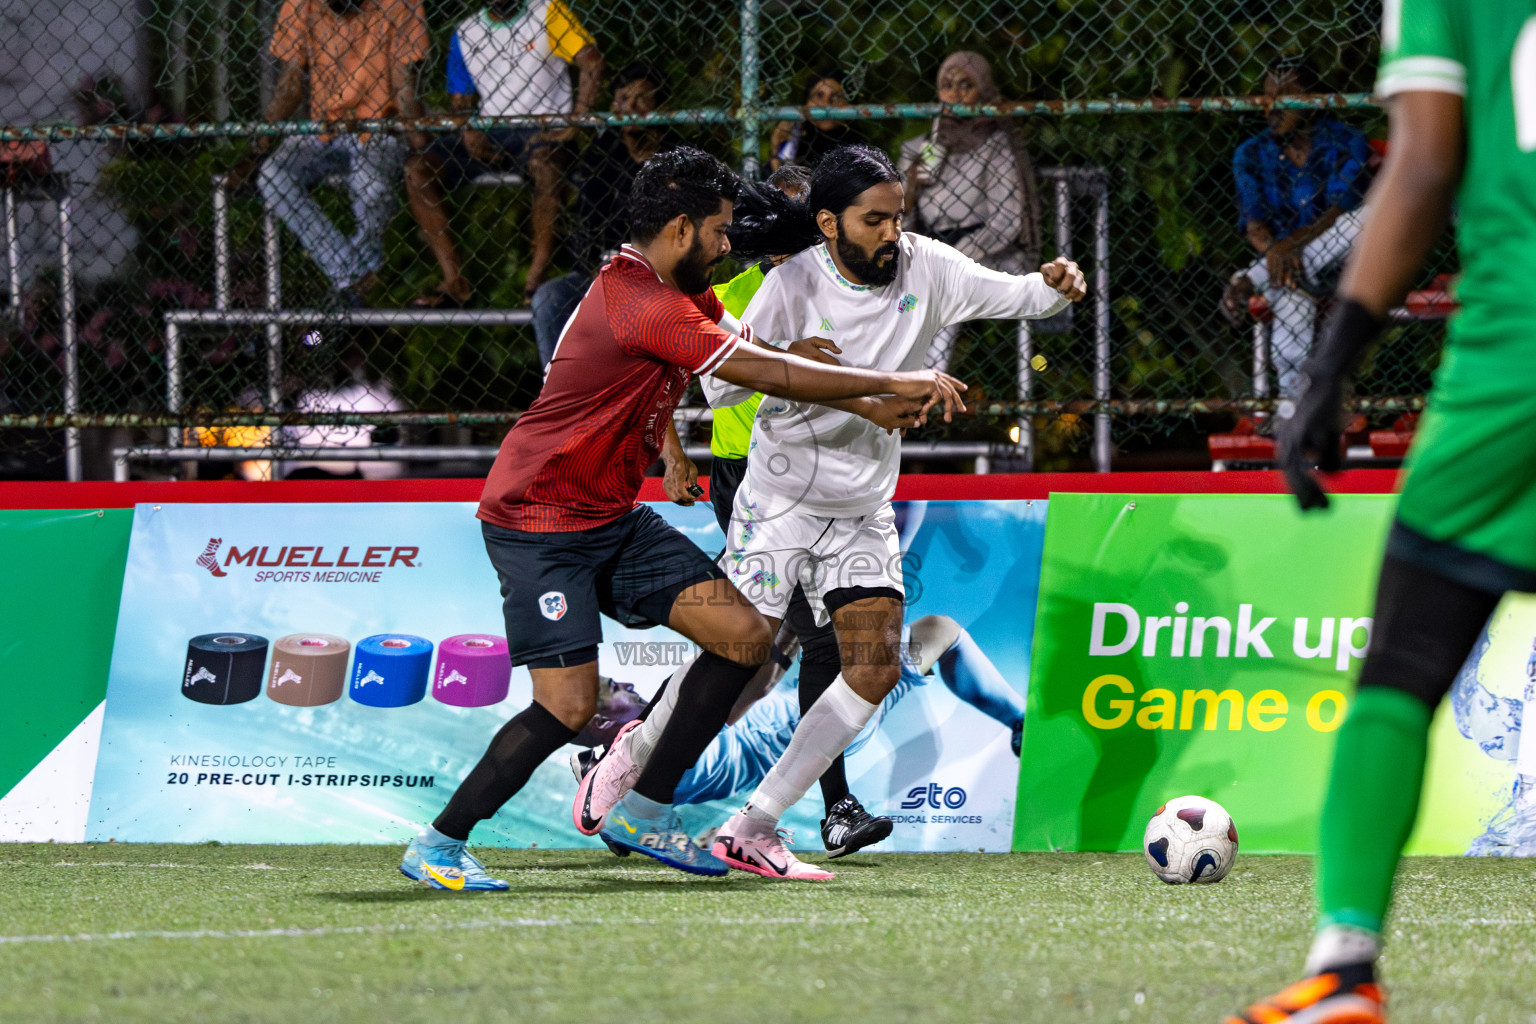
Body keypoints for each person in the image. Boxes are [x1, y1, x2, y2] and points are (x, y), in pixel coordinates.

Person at [397, 145, 966, 889]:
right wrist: (886, 383)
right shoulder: (644, 303)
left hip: (612, 518)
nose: (729, 247)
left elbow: (758, 344)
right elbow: (760, 371)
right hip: (539, 523)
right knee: (567, 706)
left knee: (744, 638)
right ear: (678, 231)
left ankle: (646, 809)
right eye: (719, 233)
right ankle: (439, 844)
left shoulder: (678, 290)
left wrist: (848, 380)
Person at [590, 143, 1079, 882]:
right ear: (828, 222)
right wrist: (815, 368)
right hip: (778, 502)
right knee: (735, 656)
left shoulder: (928, 266)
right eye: (874, 220)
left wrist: (1055, 285)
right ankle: (630, 754)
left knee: (874, 664)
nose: (893, 233)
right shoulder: (788, 284)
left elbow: (1019, 297)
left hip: (860, 509)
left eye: (897, 217)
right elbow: (723, 392)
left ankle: (754, 824)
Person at [1237, 3, 1535, 1021]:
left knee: (1400, 671)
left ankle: (1347, 966)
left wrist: (1332, 360)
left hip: (1517, 360)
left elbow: (1420, 163)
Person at [572, 614, 1026, 821]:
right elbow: (755, 686)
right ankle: (1020, 722)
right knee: (938, 632)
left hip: (806, 727)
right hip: (815, 723)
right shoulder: (675, 744)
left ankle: (1019, 723)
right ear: (601, 725)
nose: (627, 685)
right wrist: (791, 621)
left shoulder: (650, 752)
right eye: (613, 691)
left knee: (936, 633)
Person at [404, 0, 603, 308]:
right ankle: (454, 280)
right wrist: (469, 128)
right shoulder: (466, 31)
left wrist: (575, 121)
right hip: (491, 131)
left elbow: (591, 61)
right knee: (417, 168)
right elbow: (461, 100)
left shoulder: (547, 10)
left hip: (543, 130)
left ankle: (536, 278)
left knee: (547, 165)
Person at [258, 0, 429, 306]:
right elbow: (291, 83)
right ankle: (354, 274)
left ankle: (353, 291)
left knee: (371, 185)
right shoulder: (300, 5)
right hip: (324, 129)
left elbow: (404, 81)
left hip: (379, 126)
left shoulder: (401, 4)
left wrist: (415, 133)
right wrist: (259, 141)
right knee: (272, 175)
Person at [1222, 57, 1374, 397]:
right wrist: (1278, 251)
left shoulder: (1346, 140)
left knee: (1369, 217)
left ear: (1314, 98)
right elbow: (1254, 224)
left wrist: (1287, 249)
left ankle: (1253, 277)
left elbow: (1339, 212)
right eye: (1266, 96)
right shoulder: (1251, 153)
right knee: (1291, 298)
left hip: (1348, 259)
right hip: (1286, 267)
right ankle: (1297, 406)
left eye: (1286, 95)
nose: (1272, 107)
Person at [898, 51, 1044, 372]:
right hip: (929, 249)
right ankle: (896, 377)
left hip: (986, 250)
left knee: (947, 283)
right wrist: (910, 188)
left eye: (967, 84)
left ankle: (926, 380)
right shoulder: (919, 148)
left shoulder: (996, 146)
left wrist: (955, 256)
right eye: (947, 85)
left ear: (984, 90)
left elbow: (1006, 221)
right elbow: (899, 224)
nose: (956, 94)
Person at [530, 63, 676, 366]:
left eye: (641, 99)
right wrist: (595, 267)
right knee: (550, 297)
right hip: (600, 269)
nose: (630, 108)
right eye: (623, 100)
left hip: (658, 277)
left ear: (661, 106)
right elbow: (585, 223)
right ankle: (558, 390)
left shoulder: (678, 157)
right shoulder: (603, 152)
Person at [767, 70, 873, 171]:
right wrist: (777, 151)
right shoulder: (795, 141)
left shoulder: (860, 151)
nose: (825, 104)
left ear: (849, 104)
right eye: (818, 95)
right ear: (807, 103)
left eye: (836, 96)